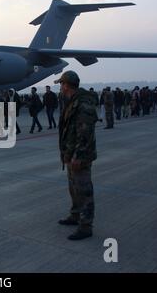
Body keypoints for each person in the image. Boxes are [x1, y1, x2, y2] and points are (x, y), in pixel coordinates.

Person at [56, 71, 98, 241]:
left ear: (66, 85)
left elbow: (85, 132)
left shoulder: (83, 102)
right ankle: (75, 215)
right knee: (74, 188)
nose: (60, 87)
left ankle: (86, 226)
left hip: (80, 155)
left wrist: (78, 156)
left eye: (61, 84)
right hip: (71, 153)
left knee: (84, 190)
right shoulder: (71, 101)